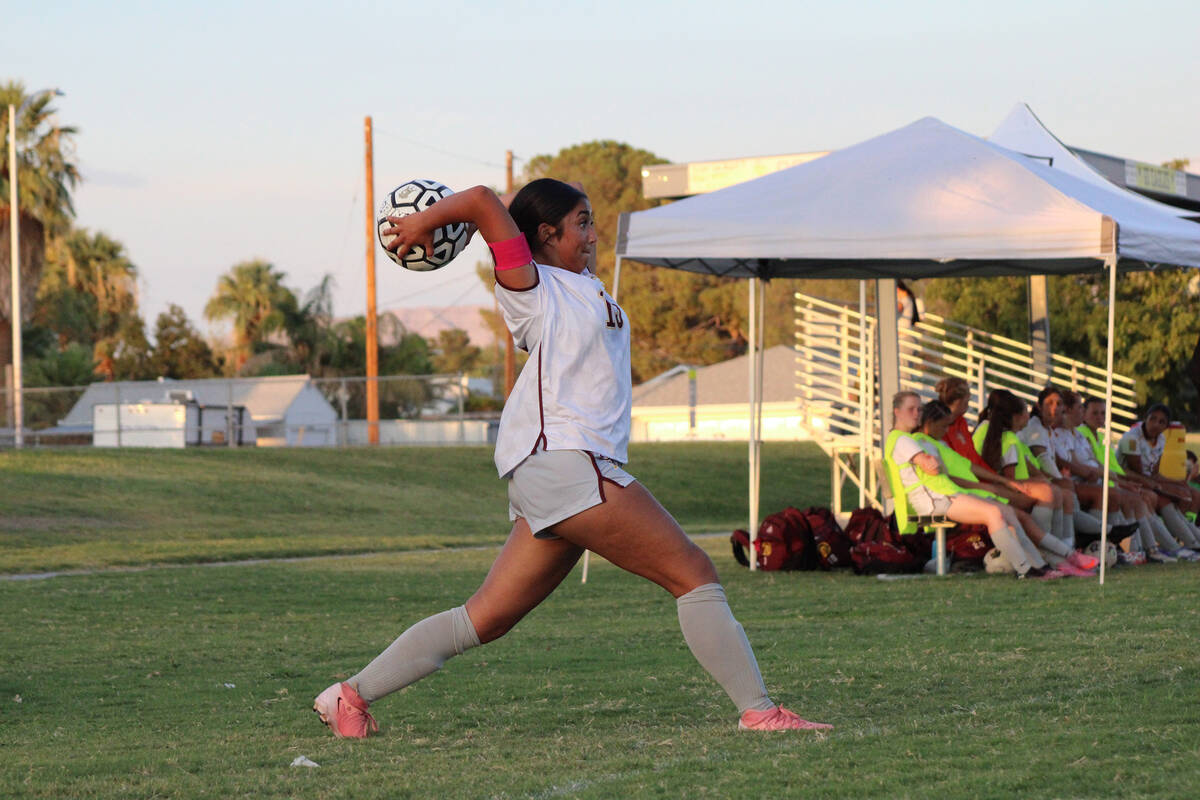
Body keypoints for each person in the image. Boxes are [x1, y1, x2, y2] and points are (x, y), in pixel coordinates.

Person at [312, 179, 830, 737]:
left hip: (557, 469)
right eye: (581, 221)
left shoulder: (582, 287)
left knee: (482, 619)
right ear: (545, 234)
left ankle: (348, 697)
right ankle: (759, 710)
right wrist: (421, 224)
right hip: (564, 460)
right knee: (695, 574)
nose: (592, 233)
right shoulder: (532, 287)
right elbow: (484, 201)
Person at [885, 391, 1063, 579]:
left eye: (919, 409)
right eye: (911, 409)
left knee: (1006, 511)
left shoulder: (909, 439)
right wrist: (929, 461)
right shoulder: (902, 440)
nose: (916, 413)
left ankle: (1039, 566)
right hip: (934, 500)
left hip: (945, 493)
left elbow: (939, 467)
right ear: (897, 412)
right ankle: (1026, 570)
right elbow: (929, 466)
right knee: (994, 513)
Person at [916, 400, 1095, 575]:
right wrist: (992, 487)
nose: (947, 430)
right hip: (957, 497)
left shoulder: (939, 443)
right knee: (1016, 513)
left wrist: (1004, 483)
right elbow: (947, 478)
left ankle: (1053, 562)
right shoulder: (922, 443)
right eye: (944, 426)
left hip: (973, 493)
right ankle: (1051, 561)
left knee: (1024, 512)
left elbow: (969, 466)